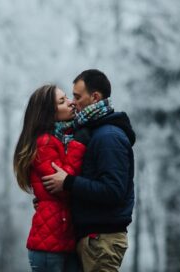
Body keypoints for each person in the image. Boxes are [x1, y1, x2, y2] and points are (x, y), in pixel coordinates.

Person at [42, 69, 135, 272]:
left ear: (94, 97)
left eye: (77, 96)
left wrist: (69, 182)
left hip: (102, 240)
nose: (73, 102)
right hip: (95, 240)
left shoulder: (108, 136)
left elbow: (113, 190)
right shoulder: (94, 132)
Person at [13, 84, 89, 272]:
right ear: (48, 113)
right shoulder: (44, 143)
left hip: (61, 240)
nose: (71, 103)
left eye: (68, 98)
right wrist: (78, 144)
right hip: (49, 246)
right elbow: (62, 184)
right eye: (62, 101)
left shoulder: (59, 138)